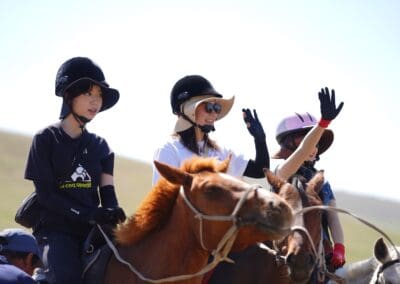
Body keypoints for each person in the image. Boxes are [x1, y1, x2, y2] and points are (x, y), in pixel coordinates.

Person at [24, 57, 126, 284]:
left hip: (92, 230)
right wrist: (87, 214)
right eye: (89, 94)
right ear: (69, 94)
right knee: (67, 278)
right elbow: (46, 195)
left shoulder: (102, 146)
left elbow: (107, 190)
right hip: (55, 230)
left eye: (99, 95)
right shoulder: (45, 139)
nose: (95, 102)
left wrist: (112, 210)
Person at [271, 87, 346, 272]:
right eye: (305, 139)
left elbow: (333, 216)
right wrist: (323, 123)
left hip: (318, 255)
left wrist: (339, 247)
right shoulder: (281, 172)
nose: (314, 146)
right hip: (283, 257)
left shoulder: (322, 181)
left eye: (316, 141)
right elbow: (303, 151)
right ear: (287, 143)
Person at [152, 74, 269, 184]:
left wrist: (260, 139)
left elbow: (260, 171)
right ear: (187, 111)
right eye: (208, 107)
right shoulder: (169, 150)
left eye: (217, 107)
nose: (214, 113)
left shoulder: (222, 152)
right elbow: (164, 199)